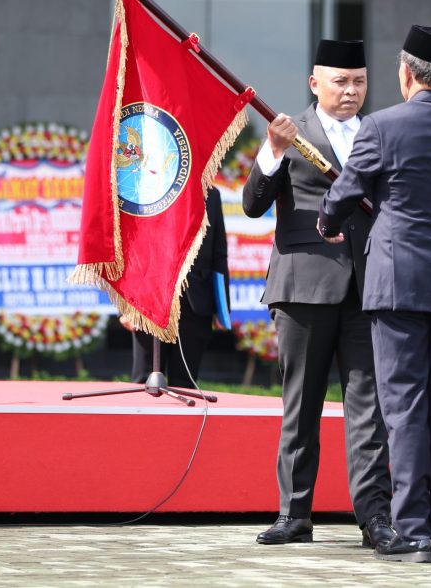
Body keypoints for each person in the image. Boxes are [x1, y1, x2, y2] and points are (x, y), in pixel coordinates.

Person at [318, 25, 431, 563]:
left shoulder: (381, 127)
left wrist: (329, 220)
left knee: (404, 408)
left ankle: (414, 530)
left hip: (398, 287)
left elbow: (347, 193)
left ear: (405, 74)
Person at [243, 40, 393, 549]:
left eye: (359, 82)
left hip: (368, 287)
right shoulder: (292, 133)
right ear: (315, 83)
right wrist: (274, 150)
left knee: (370, 409)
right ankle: (294, 513)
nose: (351, 92)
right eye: (340, 82)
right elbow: (252, 205)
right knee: (301, 404)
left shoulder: (380, 133)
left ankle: (375, 517)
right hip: (304, 287)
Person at [122, 187, 228, 389]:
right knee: (145, 383)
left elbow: (219, 253)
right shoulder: (147, 188)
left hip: (195, 301)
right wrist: (127, 306)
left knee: (186, 385)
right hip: (149, 300)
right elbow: (132, 247)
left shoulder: (211, 194)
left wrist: (223, 310)